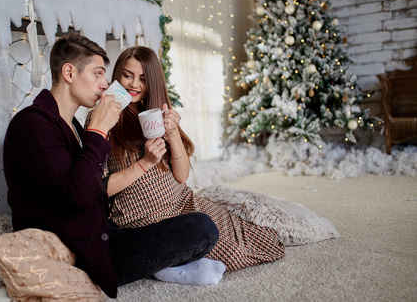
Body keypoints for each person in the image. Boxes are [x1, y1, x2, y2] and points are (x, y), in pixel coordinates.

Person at [3, 34, 219, 299]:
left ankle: (162, 263)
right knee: (202, 230)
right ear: (69, 72)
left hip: (102, 233)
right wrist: (99, 130)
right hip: (81, 252)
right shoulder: (32, 125)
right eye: (97, 74)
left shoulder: (72, 127)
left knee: (201, 224)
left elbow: (92, 188)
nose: (105, 84)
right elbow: (77, 196)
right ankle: (161, 267)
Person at [85, 46, 285, 273]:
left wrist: (172, 132)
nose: (134, 85)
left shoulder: (154, 113)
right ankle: (174, 265)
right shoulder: (104, 116)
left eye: (143, 78)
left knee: (256, 239)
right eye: (127, 75)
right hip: (142, 217)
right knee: (227, 251)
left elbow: (181, 176)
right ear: (117, 75)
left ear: (153, 82)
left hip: (181, 202)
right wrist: (146, 163)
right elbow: (98, 189)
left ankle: (176, 263)